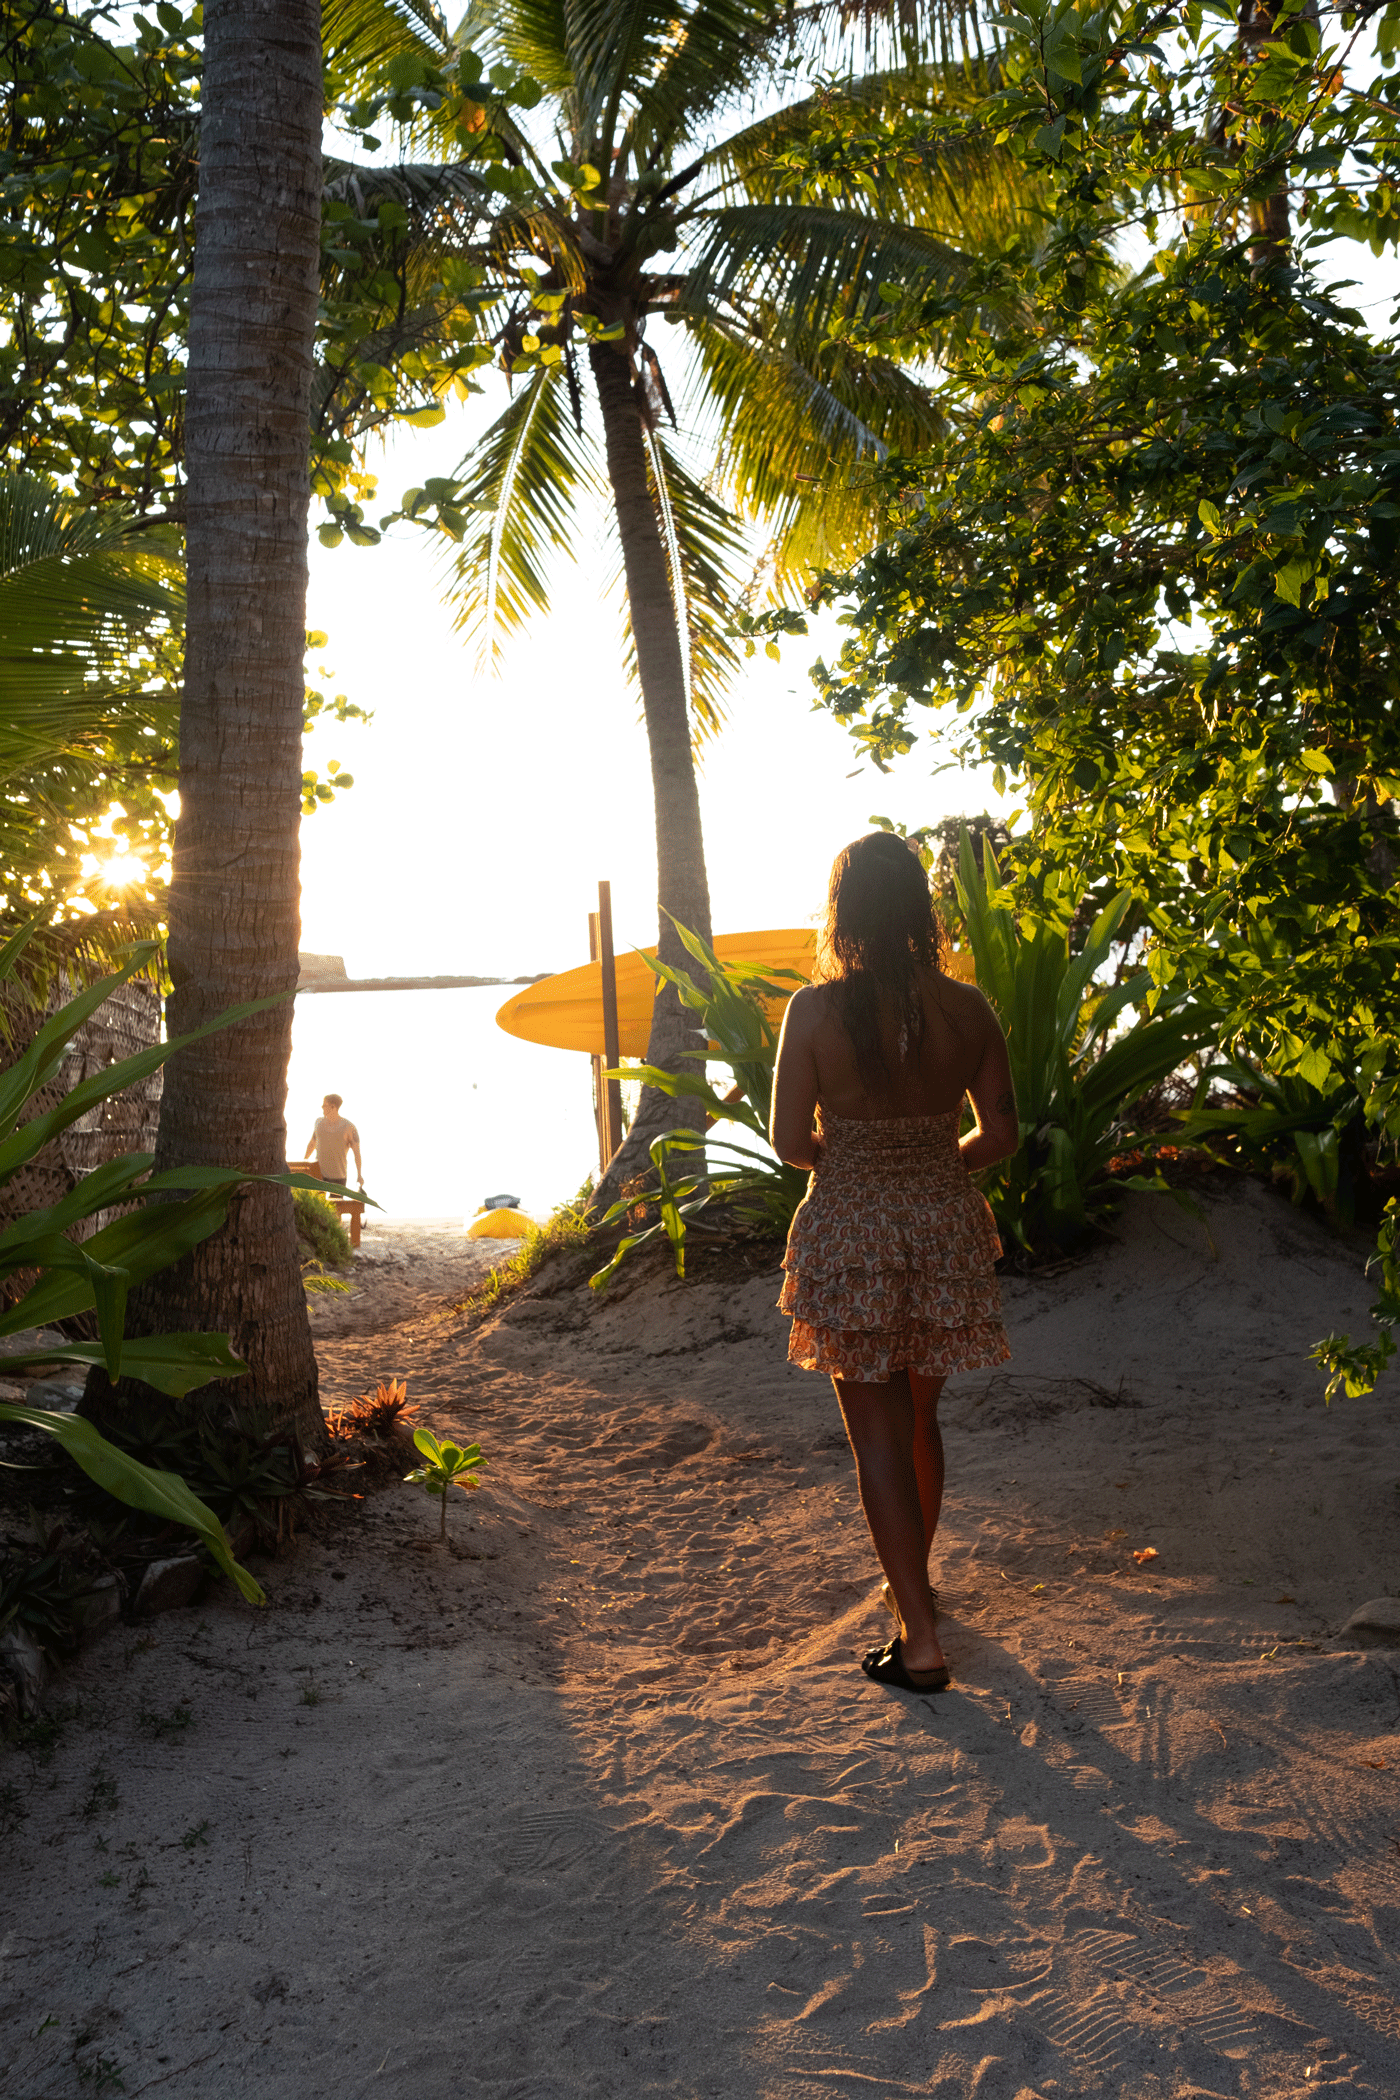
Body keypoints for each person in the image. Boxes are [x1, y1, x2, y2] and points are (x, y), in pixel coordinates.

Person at [769, 832, 1020, 1695]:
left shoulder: (814, 1011)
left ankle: (918, 1639)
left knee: (874, 1434)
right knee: (920, 1420)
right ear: (921, 908)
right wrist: (930, 1159)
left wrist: (857, 1159)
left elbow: (788, 1142)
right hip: (942, 1226)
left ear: (842, 913)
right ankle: (914, 1584)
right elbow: (1002, 1136)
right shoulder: (966, 1009)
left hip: (852, 1231)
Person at [305, 1093, 363, 1189]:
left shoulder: (349, 1127)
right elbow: (312, 1143)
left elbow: (357, 1153)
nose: (322, 1107)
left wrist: (359, 1175)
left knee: (335, 1203)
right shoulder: (318, 1123)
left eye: (324, 1105)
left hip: (338, 1178)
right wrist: (304, 1164)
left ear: (333, 1107)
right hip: (318, 1175)